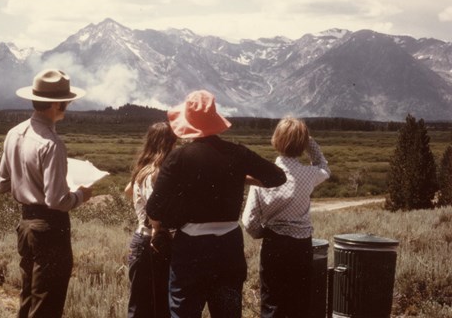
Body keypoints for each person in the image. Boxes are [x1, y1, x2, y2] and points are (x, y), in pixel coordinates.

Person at [145, 90, 287, 318]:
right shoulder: (237, 153)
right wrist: (239, 177)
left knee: (184, 312)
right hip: (229, 246)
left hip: (190, 248)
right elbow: (277, 177)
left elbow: (153, 209)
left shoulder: (179, 157)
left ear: (188, 124)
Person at [0, 68, 93, 318]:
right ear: (58, 105)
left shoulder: (13, 133)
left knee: (28, 296)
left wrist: (28, 184)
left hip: (26, 225)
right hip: (51, 227)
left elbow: (2, 184)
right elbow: (56, 200)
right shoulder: (52, 144)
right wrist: (82, 195)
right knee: (47, 303)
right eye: (67, 101)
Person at [241, 117, 330, 318]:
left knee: (272, 301)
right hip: (301, 245)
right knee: (299, 301)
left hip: (274, 243)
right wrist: (310, 143)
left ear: (276, 140)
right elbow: (324, 167)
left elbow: (249, 221)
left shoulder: (262, 177)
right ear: (302, 144)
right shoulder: (308, 174)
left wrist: (262, 233)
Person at [124, 121, 178, 318]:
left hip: (143, 241)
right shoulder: (155, 173)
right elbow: (154, 208)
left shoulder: (143, 168)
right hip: (153, 241)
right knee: (154, 304)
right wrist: (156, 225)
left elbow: (127, 191)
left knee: (142, 303)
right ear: (168, 144)